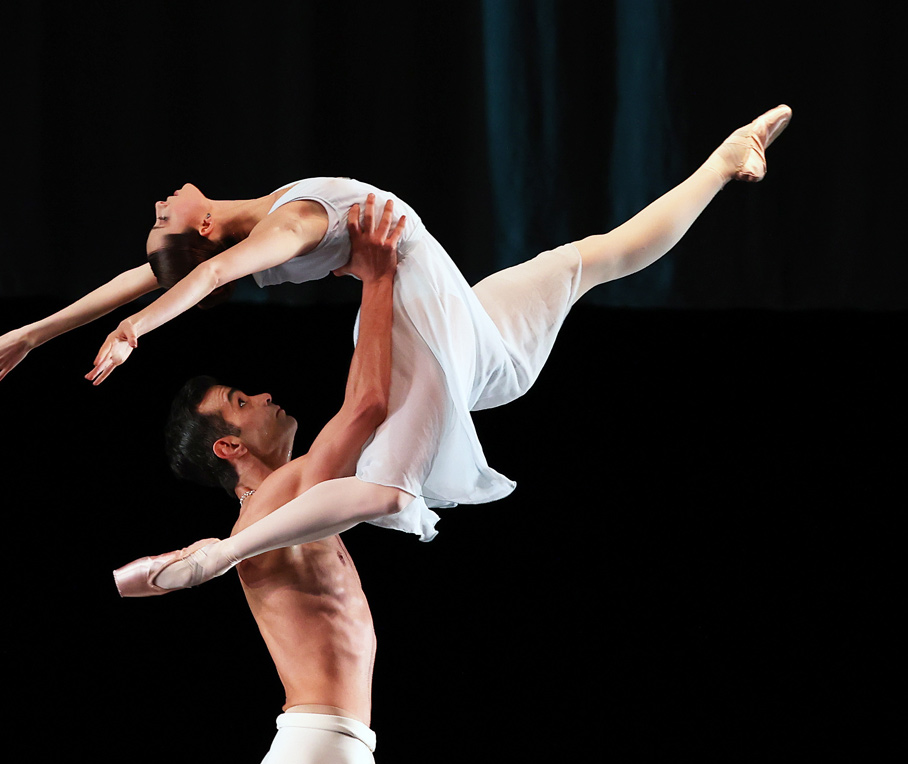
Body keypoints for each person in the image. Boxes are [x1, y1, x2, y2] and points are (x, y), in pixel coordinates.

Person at [109, 104, 793, 588]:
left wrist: (38, 330)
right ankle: (215, 557)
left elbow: (156, 273)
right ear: (201, 228)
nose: (157, 205)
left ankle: (721, 162)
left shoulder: (262, 222)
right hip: (427, 325)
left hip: (469, 338)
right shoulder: (273, 237)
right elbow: (203, 271)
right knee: (383, 491)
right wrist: (137, 329)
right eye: (162, 220)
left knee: (589, 258)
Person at [116, 195, 404, 764]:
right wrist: (378, 279)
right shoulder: (275, 499)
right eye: (241, 402)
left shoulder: (284, 500)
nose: (265, 396)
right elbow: (367, 406)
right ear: (230, 446)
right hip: (321, 746)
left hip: (329, 745)